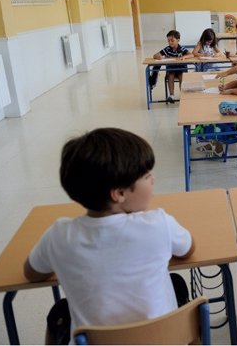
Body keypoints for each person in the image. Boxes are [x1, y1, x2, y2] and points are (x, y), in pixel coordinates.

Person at [24, 128, 195, 343]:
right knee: (176, 282)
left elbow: (31, 273)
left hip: (97, 340)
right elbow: (188, 249)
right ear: (119, 194)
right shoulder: (158, 223)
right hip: (163, 339)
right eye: (147, 176)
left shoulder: (58, 235)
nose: (153, 181)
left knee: (61, 309)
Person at [153, 30, 194, 103]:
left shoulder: (181, 49)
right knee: (170, 76)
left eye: (172, 40)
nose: (170, 42)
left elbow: (191, 55)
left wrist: (184, 57)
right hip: (171, 69)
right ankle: (171, 96)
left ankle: (183, 95)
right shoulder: (167, 49)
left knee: (182, 77)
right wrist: (159, 56)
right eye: (168, 41)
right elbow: (155, 55)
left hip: (181, 69)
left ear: (178, 40)